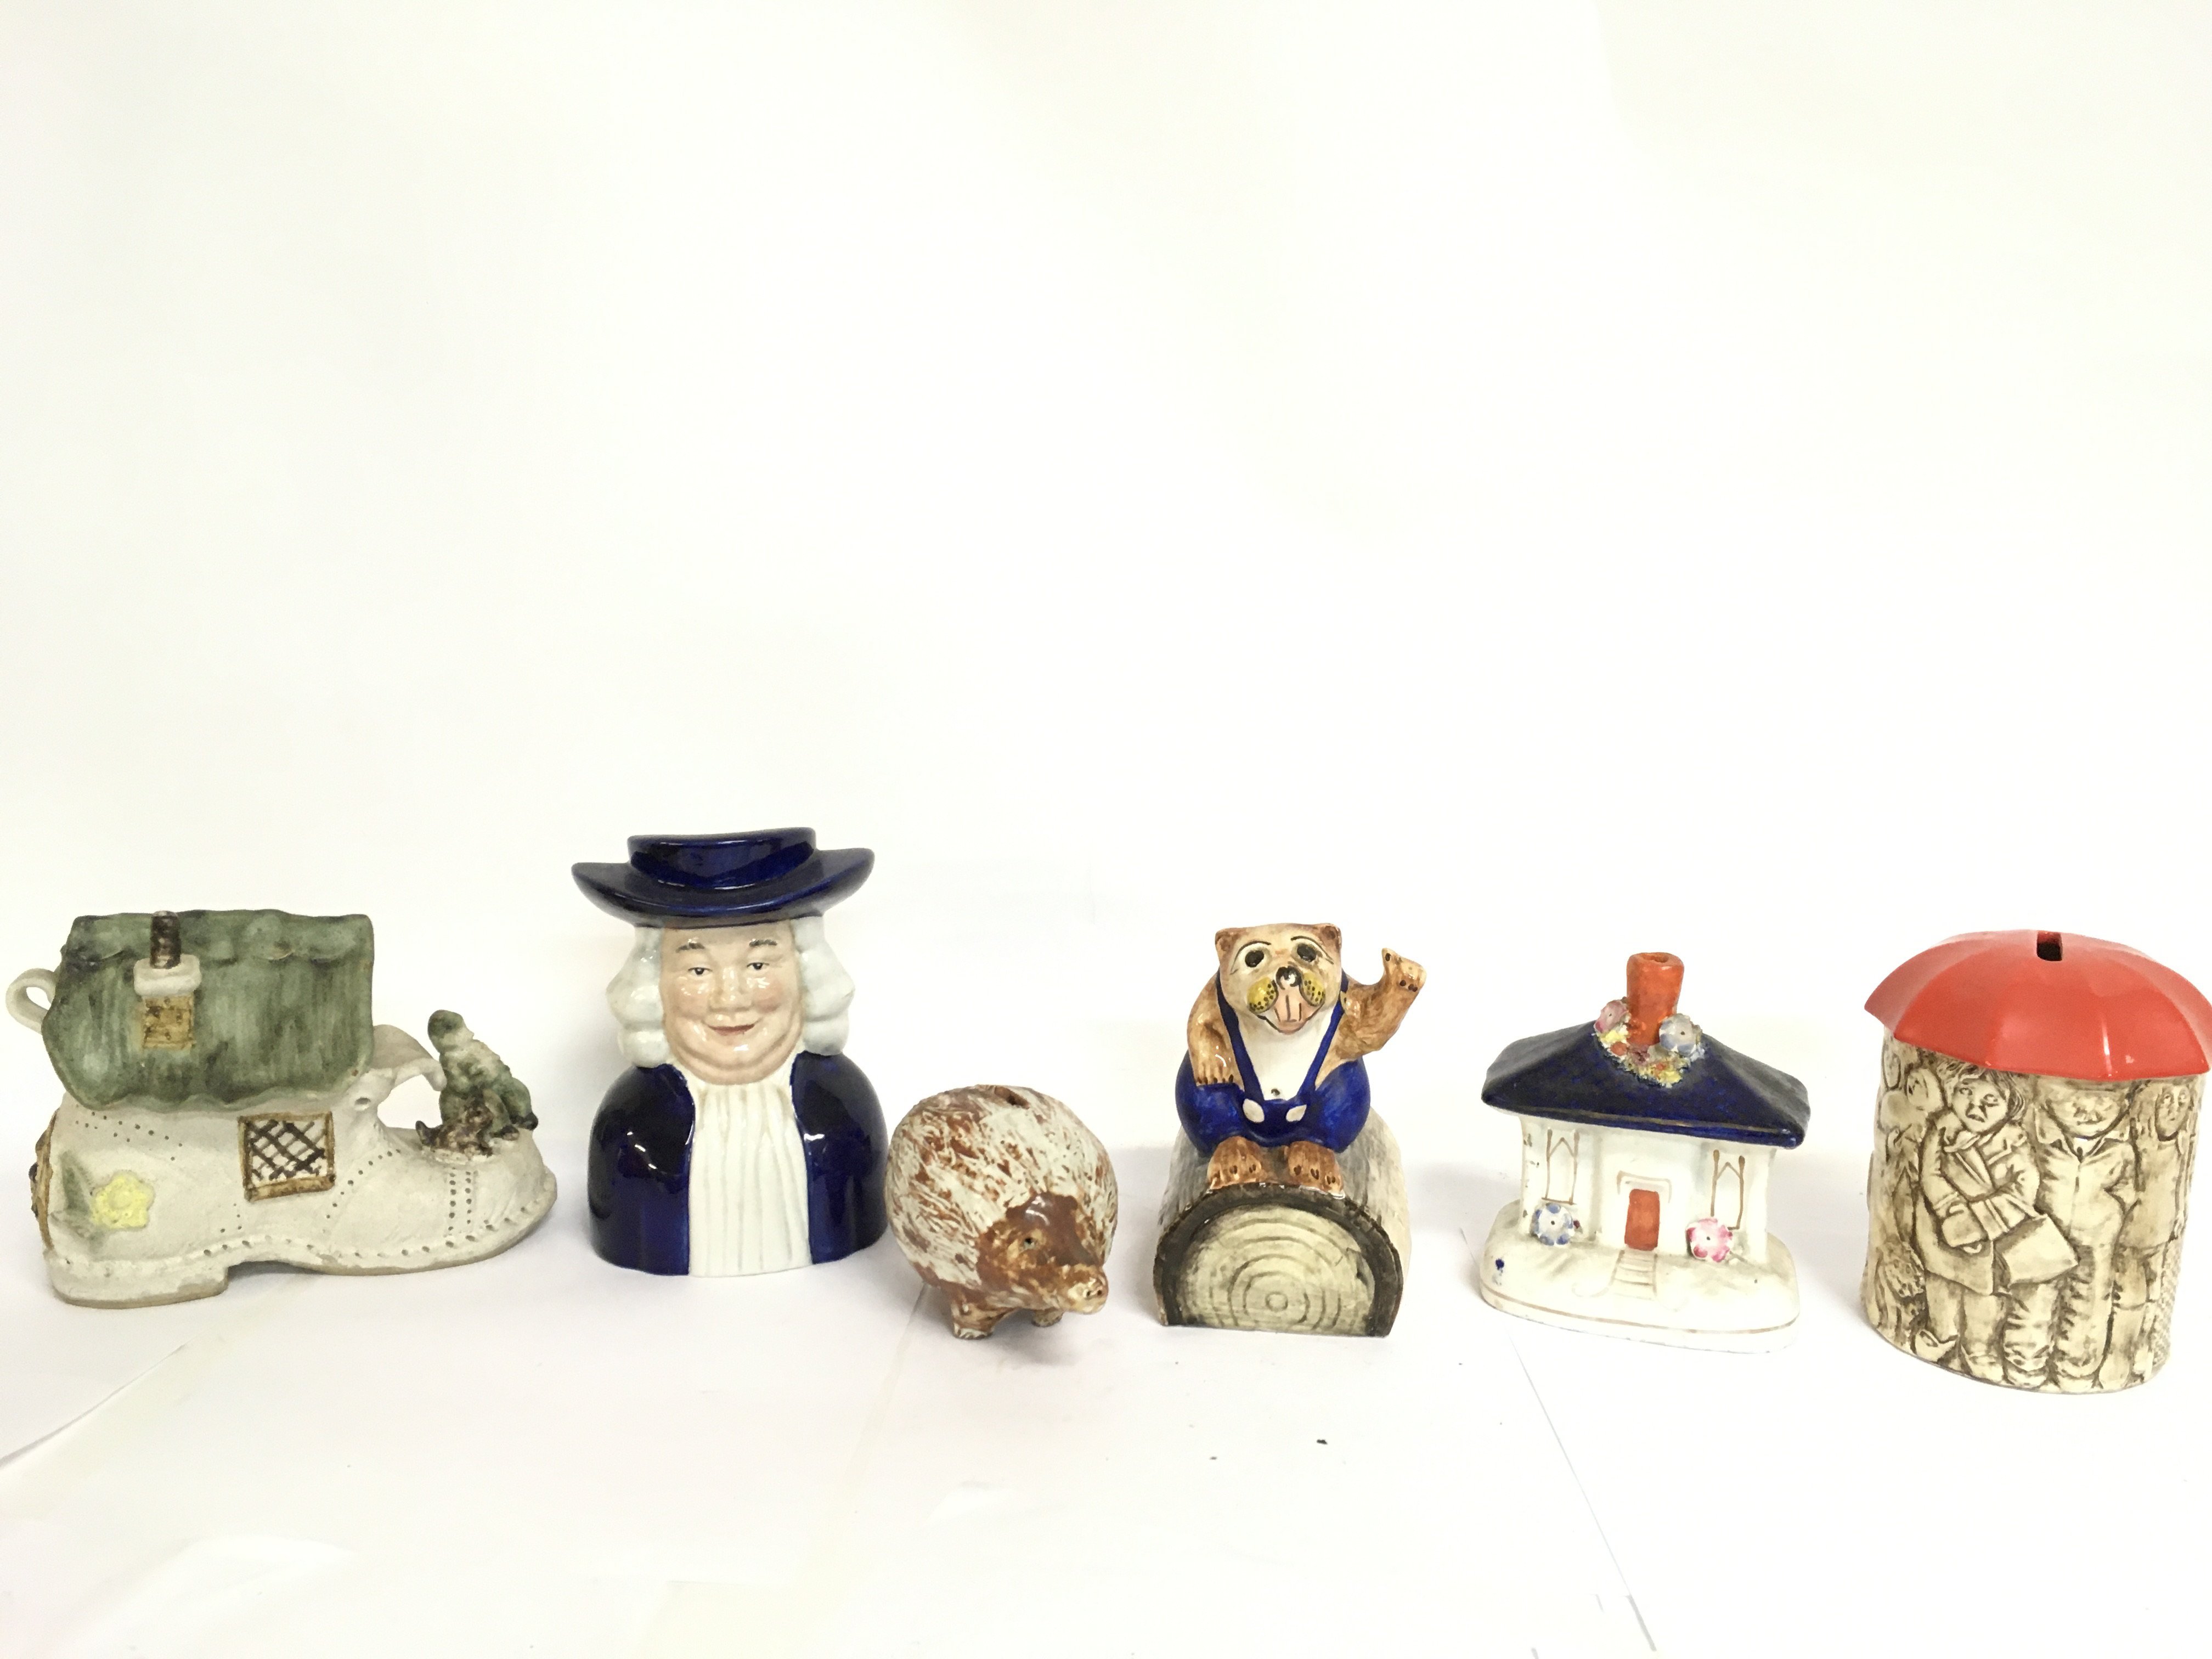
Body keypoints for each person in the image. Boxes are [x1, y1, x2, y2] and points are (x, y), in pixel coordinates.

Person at [572, 830, 886, 1276]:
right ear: (654, 984)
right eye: (698, 970)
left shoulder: (842, 1110)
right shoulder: (632, 1127)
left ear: (806, 971)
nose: (731, 998)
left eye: (758, 965)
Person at [2006, 1075, 2138, 1391]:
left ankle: (2076, 1370)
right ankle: (2025, 1365)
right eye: (2074, 1103)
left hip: (2097, 1241)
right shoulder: (2038, 1139)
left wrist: (2111, 1216)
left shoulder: (2120, 1149)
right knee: (2034, 1302)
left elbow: (2127, 1189)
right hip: (2046, 1235)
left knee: (2089, 1306)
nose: (2088, 1114)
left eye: (2103, 1104)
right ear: (2050, 1099)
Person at [1913, 1066, 2035, 1382]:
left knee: (1984, 1293)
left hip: (1988, 1232)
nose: (1974, 1107)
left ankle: (1979, 1349)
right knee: (1939, 1280)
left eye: (1990, 1101)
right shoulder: (1943, 1129)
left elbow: (2024, 1189)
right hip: (1942, 1226)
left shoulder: (2014, 1141)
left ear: (2011, 1104)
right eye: (1965, 1093)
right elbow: (1930, 1173)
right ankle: (1942, 1334)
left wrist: (1979, 1222)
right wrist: (1951, 1211)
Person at [2103, 1078, 2199, 1387]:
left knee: (2153, 1301)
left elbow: (2178, 1187)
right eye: (2167, 1101)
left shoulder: (2181, 1145)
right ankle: (2116, 1365)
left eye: (2183, 1102)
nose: (2175, 1110)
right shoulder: (2137, 1145)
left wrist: (2179, 1215)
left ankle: (2142, 1358)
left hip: (2161, 1236)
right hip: (2132, 1237)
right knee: (2129, 1301)